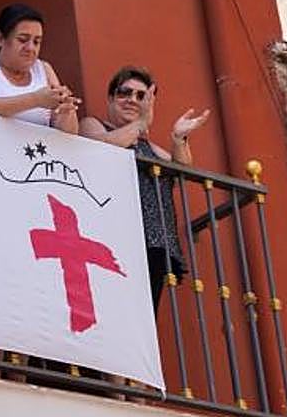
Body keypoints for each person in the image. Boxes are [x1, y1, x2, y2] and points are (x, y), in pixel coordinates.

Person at [79, 66, 210, 309]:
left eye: (141, 96)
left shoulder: (152, 149)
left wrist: (178, 139)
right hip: (112, 235)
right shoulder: (93, 125)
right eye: (124, 92)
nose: (132, 100)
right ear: (111, 98)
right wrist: (141, 124)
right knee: (111, 308)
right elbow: (99, 148)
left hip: (154, 241)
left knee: (144, 313)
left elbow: (181, 170)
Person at [0, 3, 79, 133]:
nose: (30, 48)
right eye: (22, 40)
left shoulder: (43, 69)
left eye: (36, 42)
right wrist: (35, 100)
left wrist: (66, 111)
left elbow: (70, 133)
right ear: (0, 38)